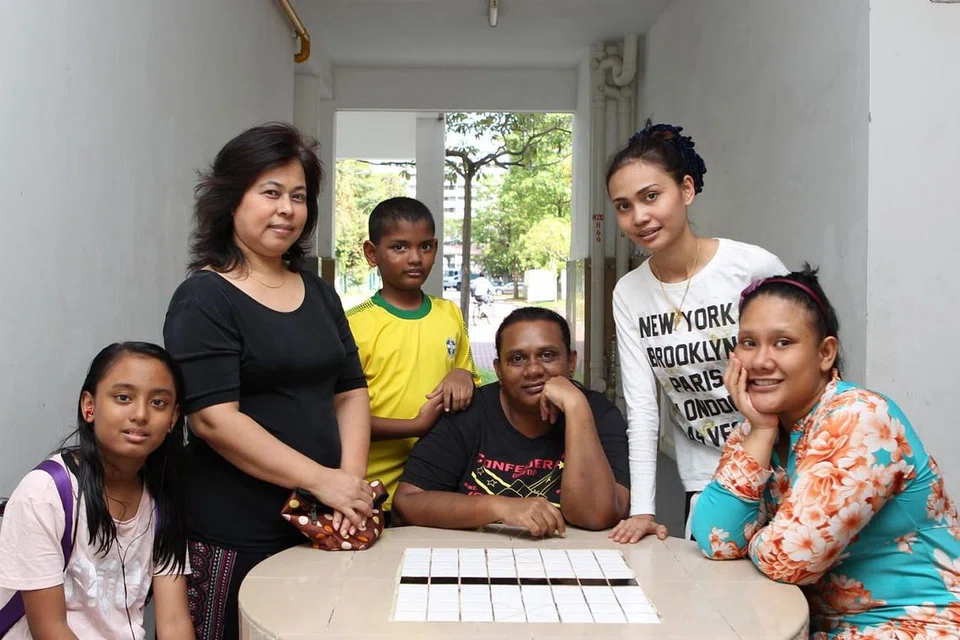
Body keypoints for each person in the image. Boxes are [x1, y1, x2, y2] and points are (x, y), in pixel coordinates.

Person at [163, 123, 374, 639]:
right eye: (271, 193)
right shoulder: (205, 298)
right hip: (236, 533)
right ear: (231, 199)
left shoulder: (320, 294)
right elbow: (214, 420)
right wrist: (321, 480)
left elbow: (350, 393)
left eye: (298, 197)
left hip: (319, 526)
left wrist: (346, 489)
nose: (287, 209)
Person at [691, 268, 960, 637]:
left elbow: (788, 561)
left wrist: (764, 537)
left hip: (915, 627)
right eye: (748, 343)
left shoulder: (860, 418)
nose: (760, 361)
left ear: (825, 353)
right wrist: (761, 432)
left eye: (783, 342)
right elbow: (715, 540)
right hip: (816, 628)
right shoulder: (759, 429)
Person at [607, 122, 787, 543]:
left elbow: (808, 354)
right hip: (707, 474)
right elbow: (643, 408)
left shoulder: (750, 267)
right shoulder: (630, 292)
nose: (640, 217)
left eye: (651, 196)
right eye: (624, 206)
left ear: (686, 190)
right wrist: (643, 510)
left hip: (784, 459)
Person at [0, 342, 193, 639]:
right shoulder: (46, 494)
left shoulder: (162, 499)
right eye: (123, 397)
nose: (141, 414)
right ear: (89, 406)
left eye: (158, 403)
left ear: (172, 418)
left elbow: (174, 622)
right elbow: (50, 630)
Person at [393, 307, 630, 536]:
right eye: (517, 359)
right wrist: (499, 507)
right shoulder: (469, 413)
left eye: (547, 355)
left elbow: (596, 516)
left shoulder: (599, 413)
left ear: (571, 362)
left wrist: (577, 408)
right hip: (476, 561)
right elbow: (407, 503)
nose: (534, 370)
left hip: (573, 562)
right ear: (498, 370)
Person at [347, 197, 479, 524]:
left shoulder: (449, 314)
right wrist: (414, 427)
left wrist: (462, 374)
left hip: (437, 491)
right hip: (371, 496)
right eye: (400, 247)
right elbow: (338, 418)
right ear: (372, 253)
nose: (416, 258)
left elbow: (469, 385)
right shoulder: (352, 324)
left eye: (426, 246)